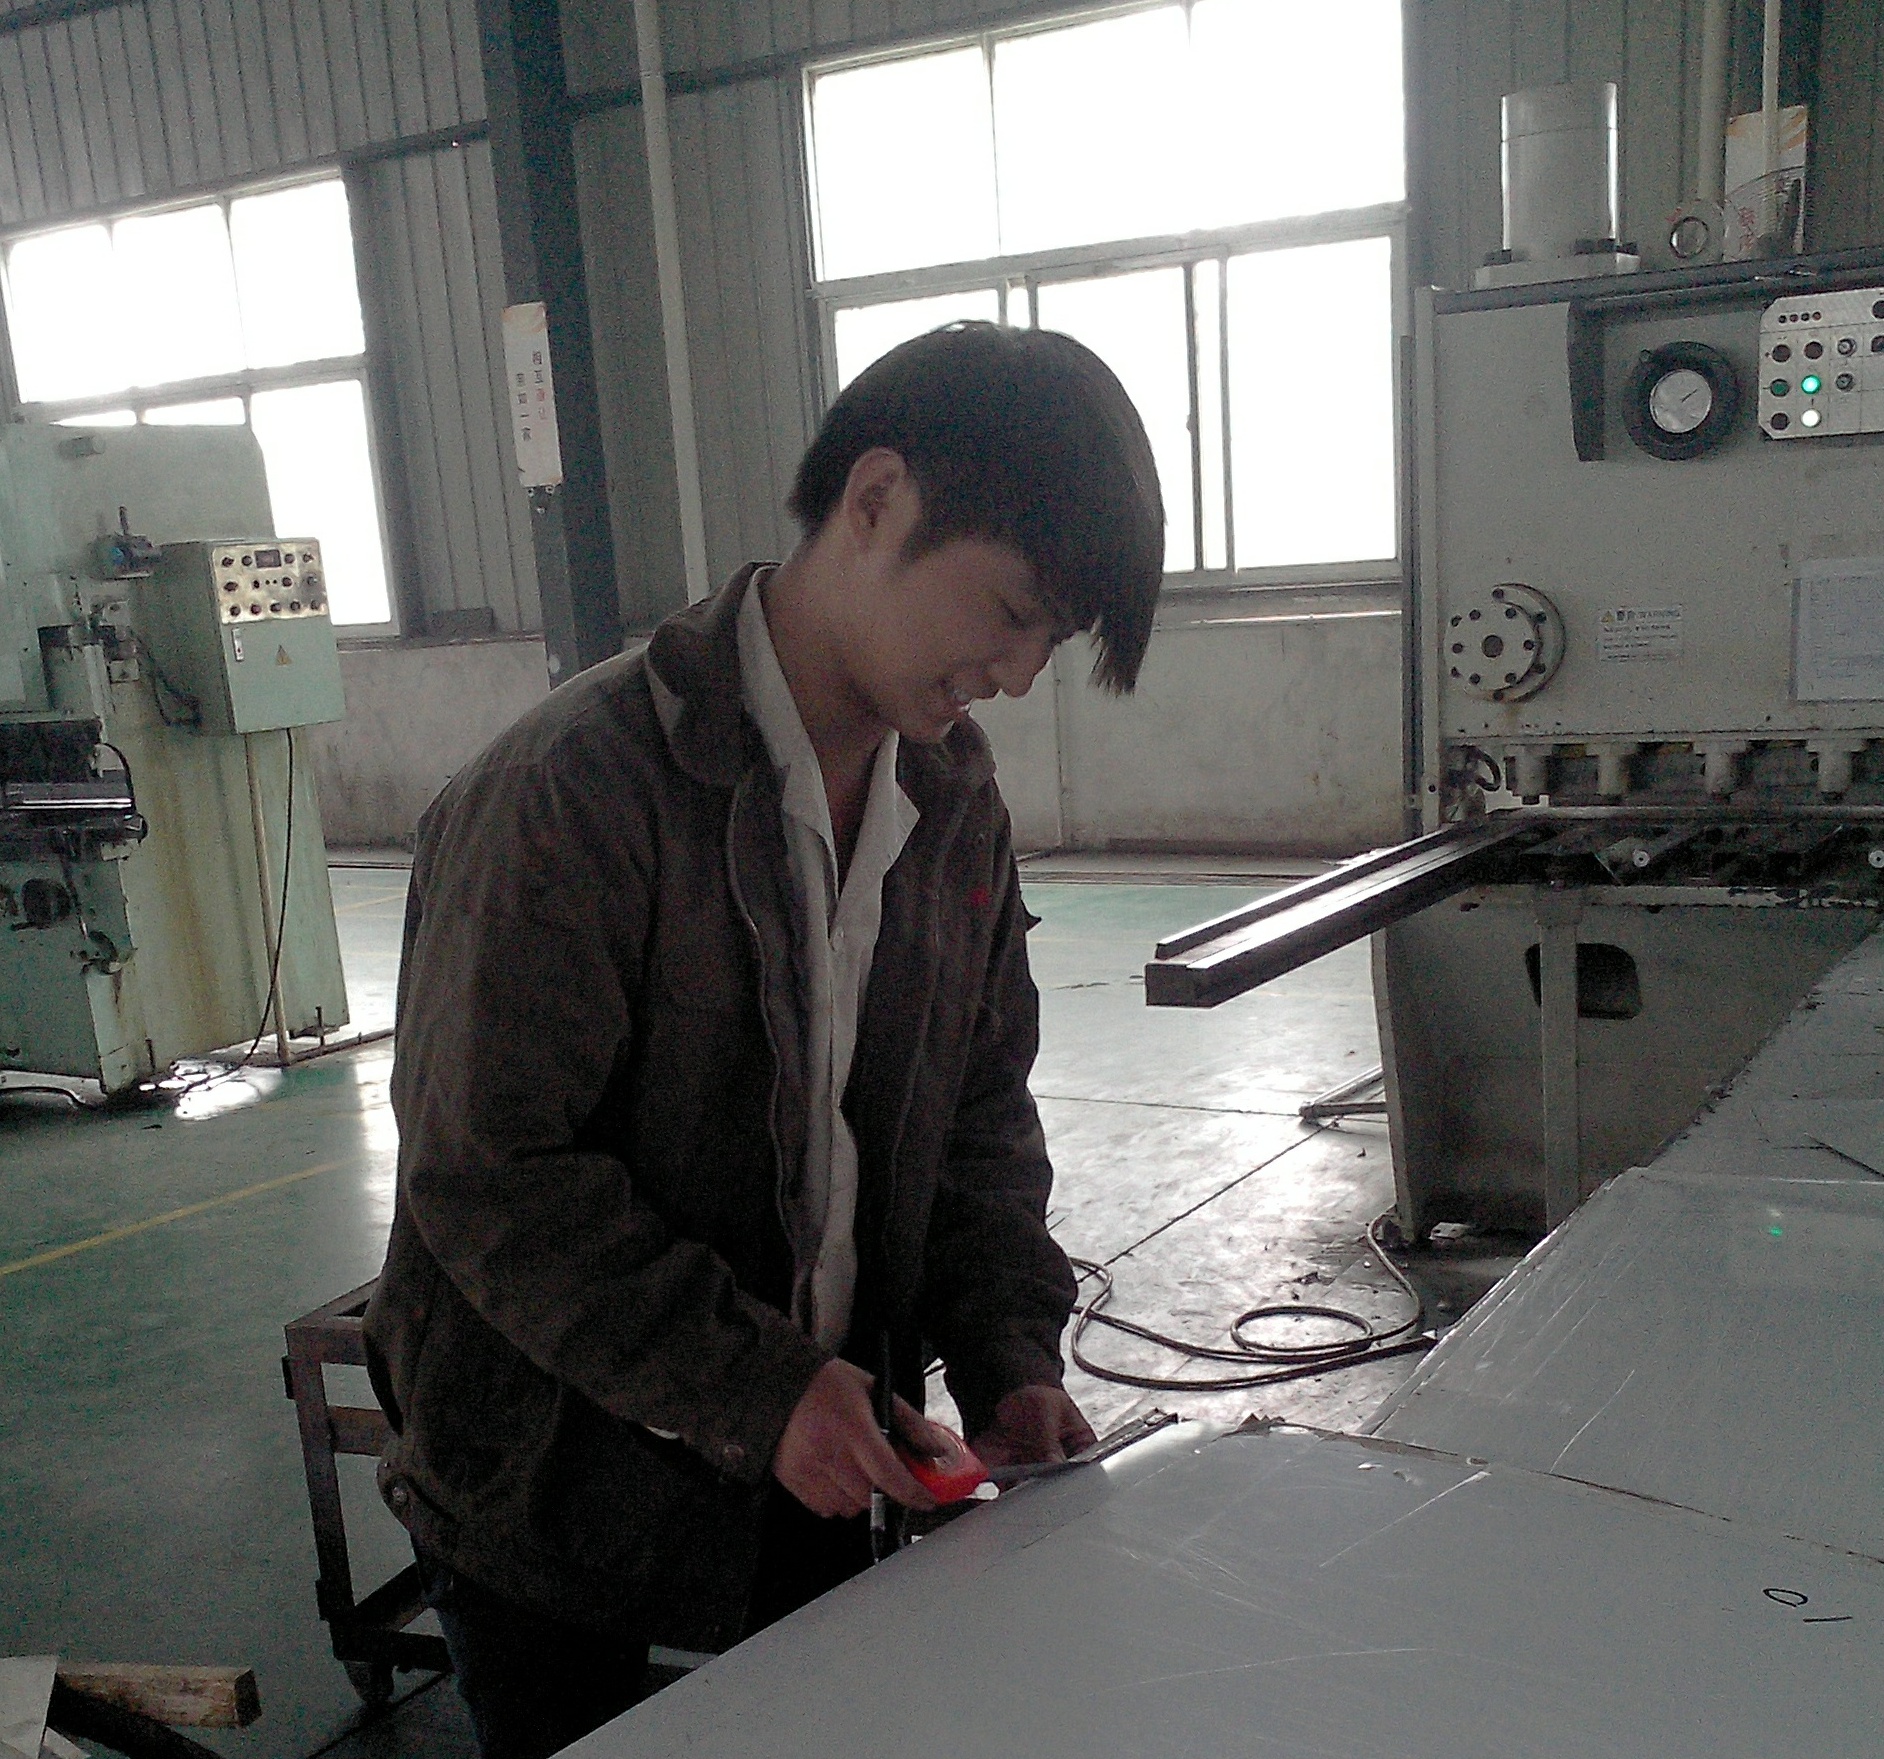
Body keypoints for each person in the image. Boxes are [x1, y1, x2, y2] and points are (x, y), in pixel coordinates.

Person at [363, 320, 1165, 1759]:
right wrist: (757, 1387)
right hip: (558, 1513)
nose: (1018, 674)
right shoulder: (569, 795)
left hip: (816, 1477)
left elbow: (979, 1116)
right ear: (877, 501)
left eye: (1050, 640)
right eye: (1012, 612)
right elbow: (490, 1176)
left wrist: (1009, 1361)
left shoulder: (950, 804)